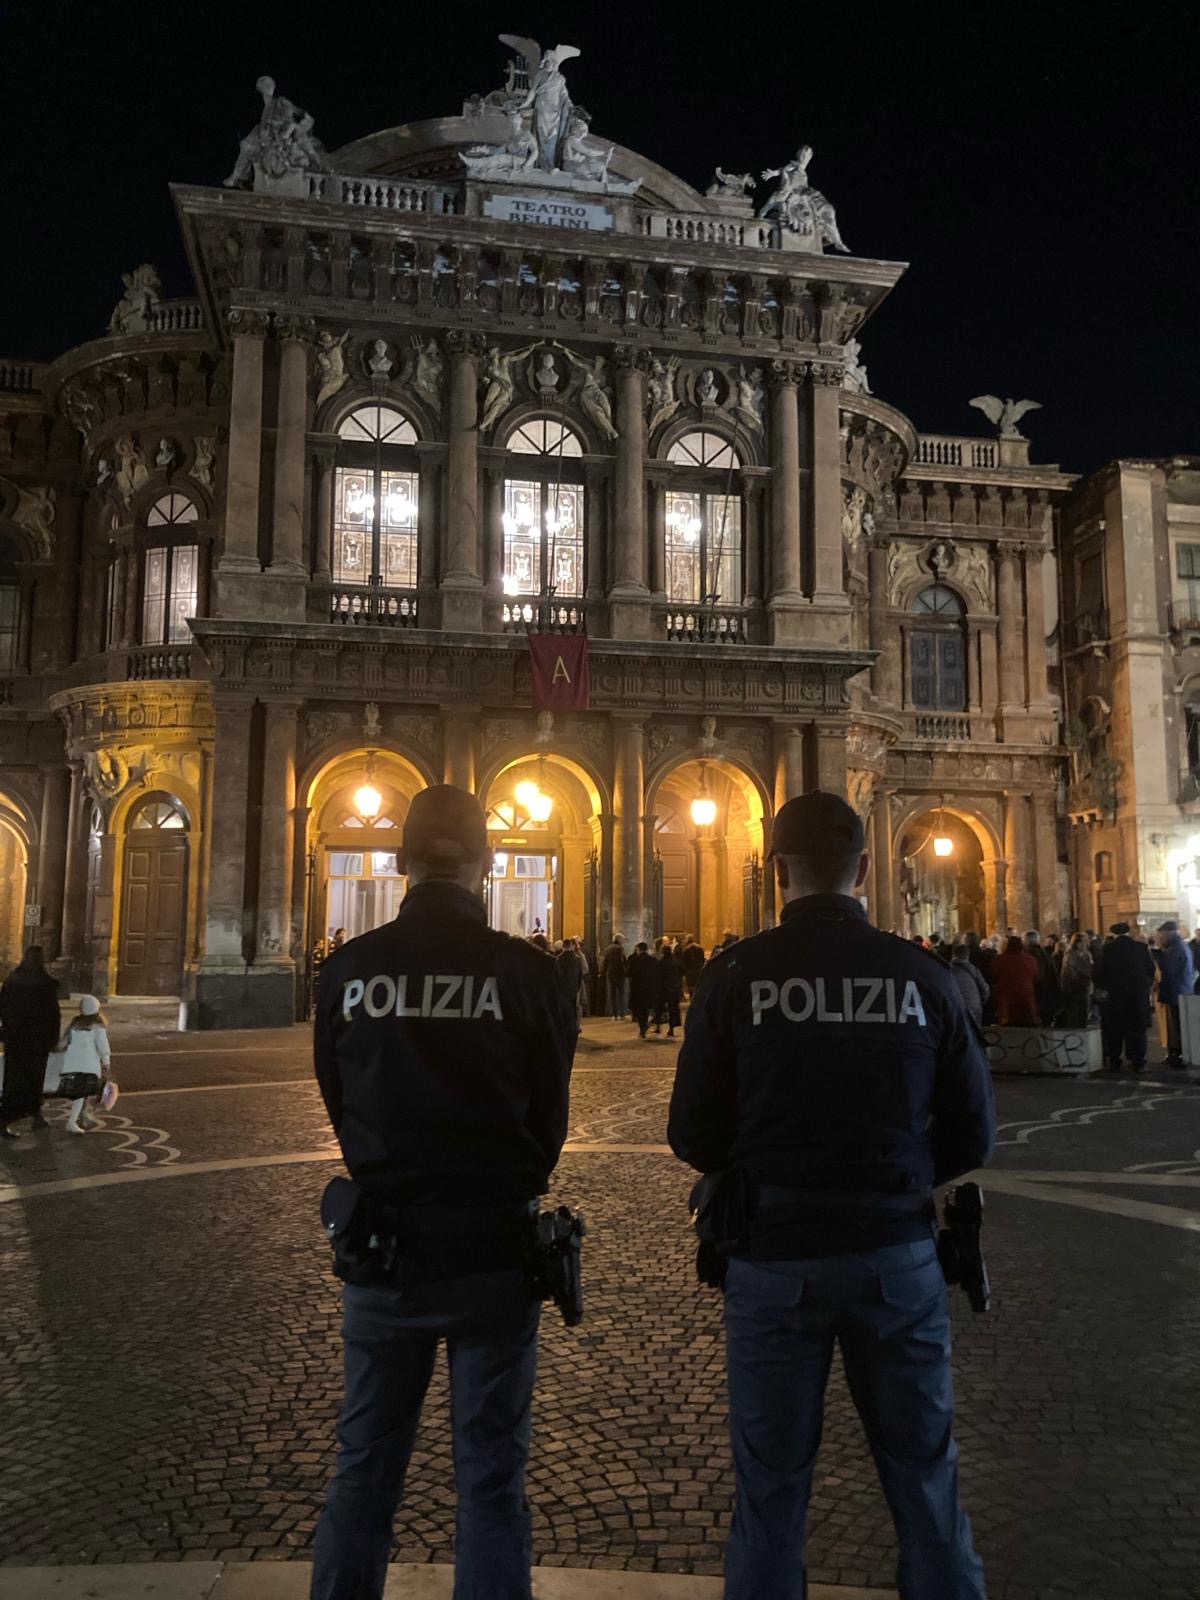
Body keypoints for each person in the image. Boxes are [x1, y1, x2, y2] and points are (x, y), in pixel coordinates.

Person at [669, 792, 992, 1600]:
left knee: (771, 1492)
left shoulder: (735, 974)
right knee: (926, 1482)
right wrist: (902, 1169)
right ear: (869, 870)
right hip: (898, 1255)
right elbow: (974, 1133)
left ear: (774, 871)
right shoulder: (922, 974)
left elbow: (691, 1135)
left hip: (774, 1259)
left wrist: (760, 1163)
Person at [310, 786, 578, 1600]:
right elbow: (549, 1122)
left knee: (364, 1472)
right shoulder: (528, 974)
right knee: (493, 1476)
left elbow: (337, 1096)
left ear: (399, 862)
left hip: (383, 1252)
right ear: (489, 863)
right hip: (495, 1253)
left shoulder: (349, 971)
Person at [0, 946, 61, 1139]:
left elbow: (2, 1008)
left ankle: (22, 1117)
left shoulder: (12, 981)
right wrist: (53, 1039)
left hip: (15, 1041)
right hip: (37, 1042)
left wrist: (6, 1031)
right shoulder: (45, 984)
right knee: (34, 1081)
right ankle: (31, 1115)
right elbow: (53, 1016)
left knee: (14, 1081)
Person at [1094, 922, 1155, 1072]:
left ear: (1113, 933)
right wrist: (1145, 986)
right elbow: (1150, 969)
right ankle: (1138, 1060)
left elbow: (1100, 973)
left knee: (1115, 1030)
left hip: (1116, 997)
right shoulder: (1140, 948)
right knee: (1137, 1029)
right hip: (1137, 996)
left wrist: (1103, 987)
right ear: (1129, 932)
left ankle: (1115, 1060)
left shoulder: (1108, 949)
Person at [56, 995, 112, 1134]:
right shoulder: (98, 1025)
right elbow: (103, 1046)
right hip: (89, 1066)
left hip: (72, 1064)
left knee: (81, 1092)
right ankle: (73, 1121)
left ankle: (81, 1116)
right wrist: (106, 1062)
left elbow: (64, 1042)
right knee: (82, 1093)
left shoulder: (75, 1024)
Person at [1153, 920, 1195, 1069]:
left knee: (1175, 1027)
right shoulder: (1180, 946)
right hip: (1180, 991)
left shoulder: (1175, 948)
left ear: (1169, 933)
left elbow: (1168, 969)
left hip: (1175, 993)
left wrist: (1156, 954)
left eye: (1161, 935)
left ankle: (1176, 1056)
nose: (1160, 938)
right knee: (1177, 1026)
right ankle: (1176, 1054)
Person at [989, 935, 1040, 1026]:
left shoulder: (1001, 959)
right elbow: (1035, 975)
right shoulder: (1030, 959)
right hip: (1026, 995)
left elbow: (993, 974)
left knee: (1009, 1022)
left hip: (1007, 996)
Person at [939, 941, 989, 1028]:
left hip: (956, 1009)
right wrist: (979, 1003)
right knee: (974, 1034)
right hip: (974, 1008)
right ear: (968, 955)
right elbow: (985, 989)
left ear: (953, 955)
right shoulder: (973, 970)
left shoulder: (947, 970)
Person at [1024, 930, 1061, 1025]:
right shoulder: (1046, 954)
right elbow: (1053, 973)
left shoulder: (1026, 955)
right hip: (1047, 992)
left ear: (1026, 940)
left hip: (1033, 991)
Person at [1059, 931, 1094, 1028]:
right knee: (1073, 1011)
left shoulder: (1087, 954)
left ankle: (1082, 1027)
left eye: (1086, 941)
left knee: (1083, 1010)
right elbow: (1071, 971)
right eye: (1083, 942)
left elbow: (1090, 968)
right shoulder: (1070, 954)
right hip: (1072, 987)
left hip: (1084, 986)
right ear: (1076, 943)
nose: (1085, 944)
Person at [627, 940, 658, 1038]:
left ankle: (642, 1027)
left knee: (640, 1009)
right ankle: (644, 1025)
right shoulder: (653, 960)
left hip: (637, 987)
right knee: (646, 1008)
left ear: (638, 949)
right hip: (649, 987)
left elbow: (628, 973)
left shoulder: (635, 960)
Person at [656, 940, 684, 1038]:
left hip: (663, 988)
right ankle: (671, 1028)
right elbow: (682, 971)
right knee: (673, 1009)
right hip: (674, 988)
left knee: (660, 1008)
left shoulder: (662, 962)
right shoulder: (675, 961)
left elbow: (658, 975)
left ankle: (658, 1026)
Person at [556, 938, 584, 1025]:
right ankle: (573, 1026)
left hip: (562, 989)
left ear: (563, 946)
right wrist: (578, 988)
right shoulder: (577, 959)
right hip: (574, 988)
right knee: (573, 1009)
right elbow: (580, 975)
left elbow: (557, 975)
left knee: (563, 1010)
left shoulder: (558, 959)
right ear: (571, 946)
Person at [601, 935, 628, 1020]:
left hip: (611, 973)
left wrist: (604, 972)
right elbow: (623, 961)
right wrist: (626, 971)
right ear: (619, 940)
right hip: (620, 973)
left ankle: (614, 1014)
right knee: (621, 994)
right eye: (623, 940)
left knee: (612, 995)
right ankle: (622, 1013)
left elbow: (605, 962)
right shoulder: (620, 949)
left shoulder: (608, 949)